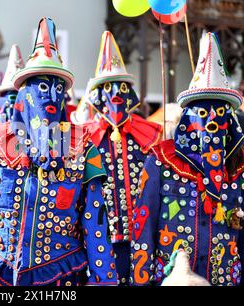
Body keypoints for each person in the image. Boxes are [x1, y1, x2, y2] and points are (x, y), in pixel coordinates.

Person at [0, 17, 117, 286]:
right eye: (41, 86)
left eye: (57, 87)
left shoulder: (84, 149)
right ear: (24, 91)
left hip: (61, 276)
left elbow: (95, 222)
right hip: (1, 272)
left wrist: (104, 278)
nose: (50, 95)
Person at [130, 32, 244, 286]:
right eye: (201, 111)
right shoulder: (161, 163)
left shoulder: (242, 170)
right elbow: (143, 230)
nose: (210, 121)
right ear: (188, 117)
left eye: (219, 111)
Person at [82, 31, 163, 285]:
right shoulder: (85, 138)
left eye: (122, 86)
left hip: (144, 236)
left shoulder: (150, 134)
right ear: (97, 96)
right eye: (108, 86)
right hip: (100, 238)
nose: (116, 92)